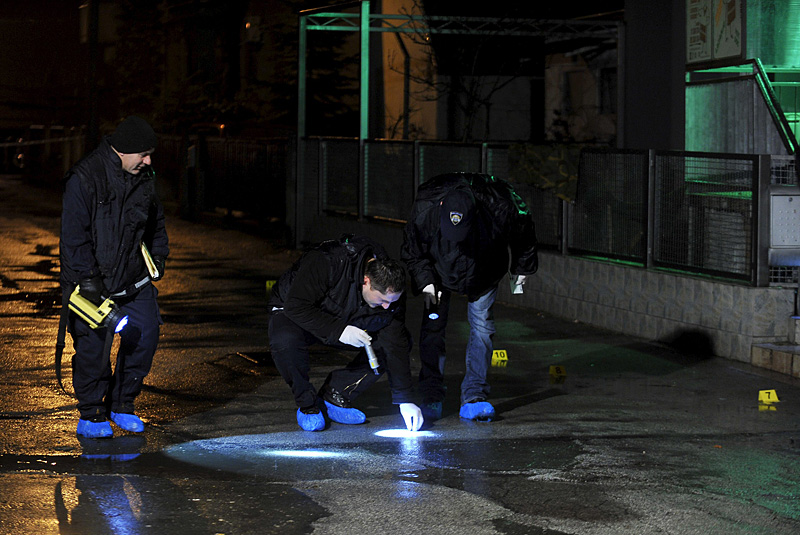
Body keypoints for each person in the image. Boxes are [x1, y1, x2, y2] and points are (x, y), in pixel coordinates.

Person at [60, 116, 168, 438]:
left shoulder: (144, 177)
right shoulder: (85, 177)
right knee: (93, 351)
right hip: (91, 283)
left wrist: (158, 256)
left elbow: (155, 223)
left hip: (134, 282)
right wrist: (89, 281)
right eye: (144, 154)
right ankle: (92, 414)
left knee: (145, 335)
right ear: (124, 150)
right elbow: (73, 237)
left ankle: (122, 406)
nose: (149, 161)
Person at [401, 172, 538, 422]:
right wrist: (426, 282)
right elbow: (413, 250)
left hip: (484, 270)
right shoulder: (426, 207)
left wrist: (522, 267)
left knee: (483, 328)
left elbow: (524, 232)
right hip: (438, 273)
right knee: (433, 329)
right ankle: (431, 393)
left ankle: (475, 396)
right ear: (441, 207)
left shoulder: (500, 205)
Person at [268, 234, 423, 432]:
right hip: (294, 311)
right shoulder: (327, 261)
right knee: (285, 341)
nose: (386, 306)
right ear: (366, 281)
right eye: (382, 300)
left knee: (394, 343)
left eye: (391, 302)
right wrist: (339, 330)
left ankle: (335, 393)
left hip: (344, 313)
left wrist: (405, 399)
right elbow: (296, 306)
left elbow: (395, 340)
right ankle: (308, 405)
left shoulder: (389, 292)